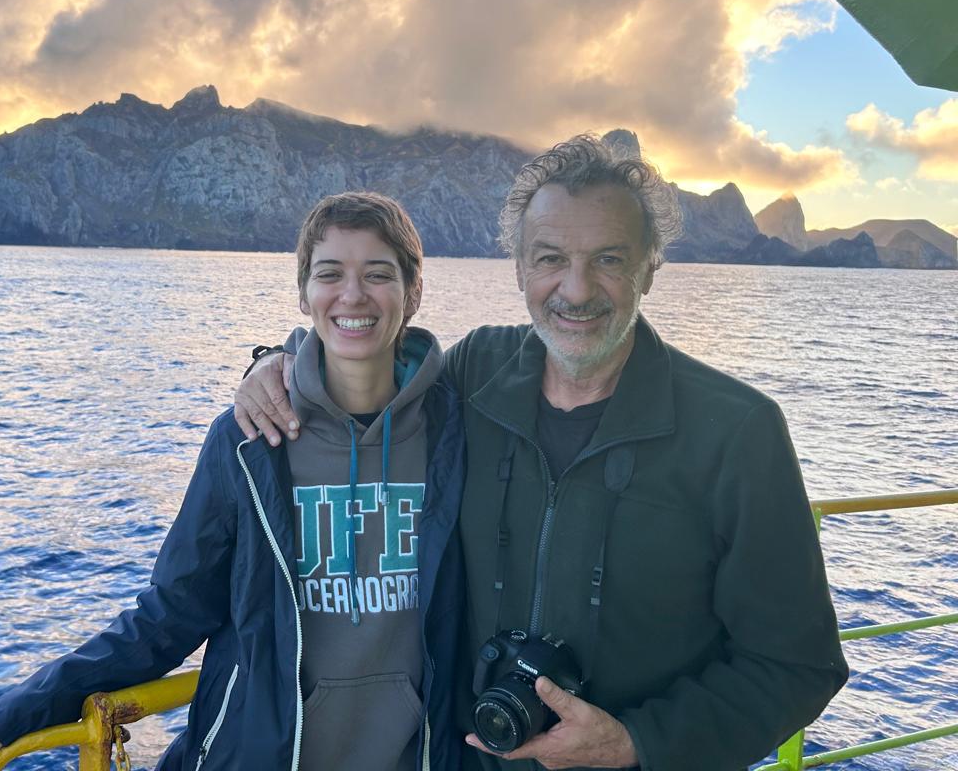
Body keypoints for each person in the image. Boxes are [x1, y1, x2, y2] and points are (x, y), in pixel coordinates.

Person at [236, 136, 849, 771]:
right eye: (551, 258)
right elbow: (364, 373)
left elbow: (798, 665)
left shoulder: (739, 431)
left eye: (609, 259)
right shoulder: (475, 373)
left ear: (650, 267)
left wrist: (635, 743)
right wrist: (274, 365)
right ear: (520, 269)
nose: (576, 290)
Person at [0, 191, 466, 771]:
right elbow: (171, 612)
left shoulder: (458, 433)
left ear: (413, 291)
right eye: (330, 273)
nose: (352, 294)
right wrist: (12, 714)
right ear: (303, 293)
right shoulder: (248, 442)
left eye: (377, 274)